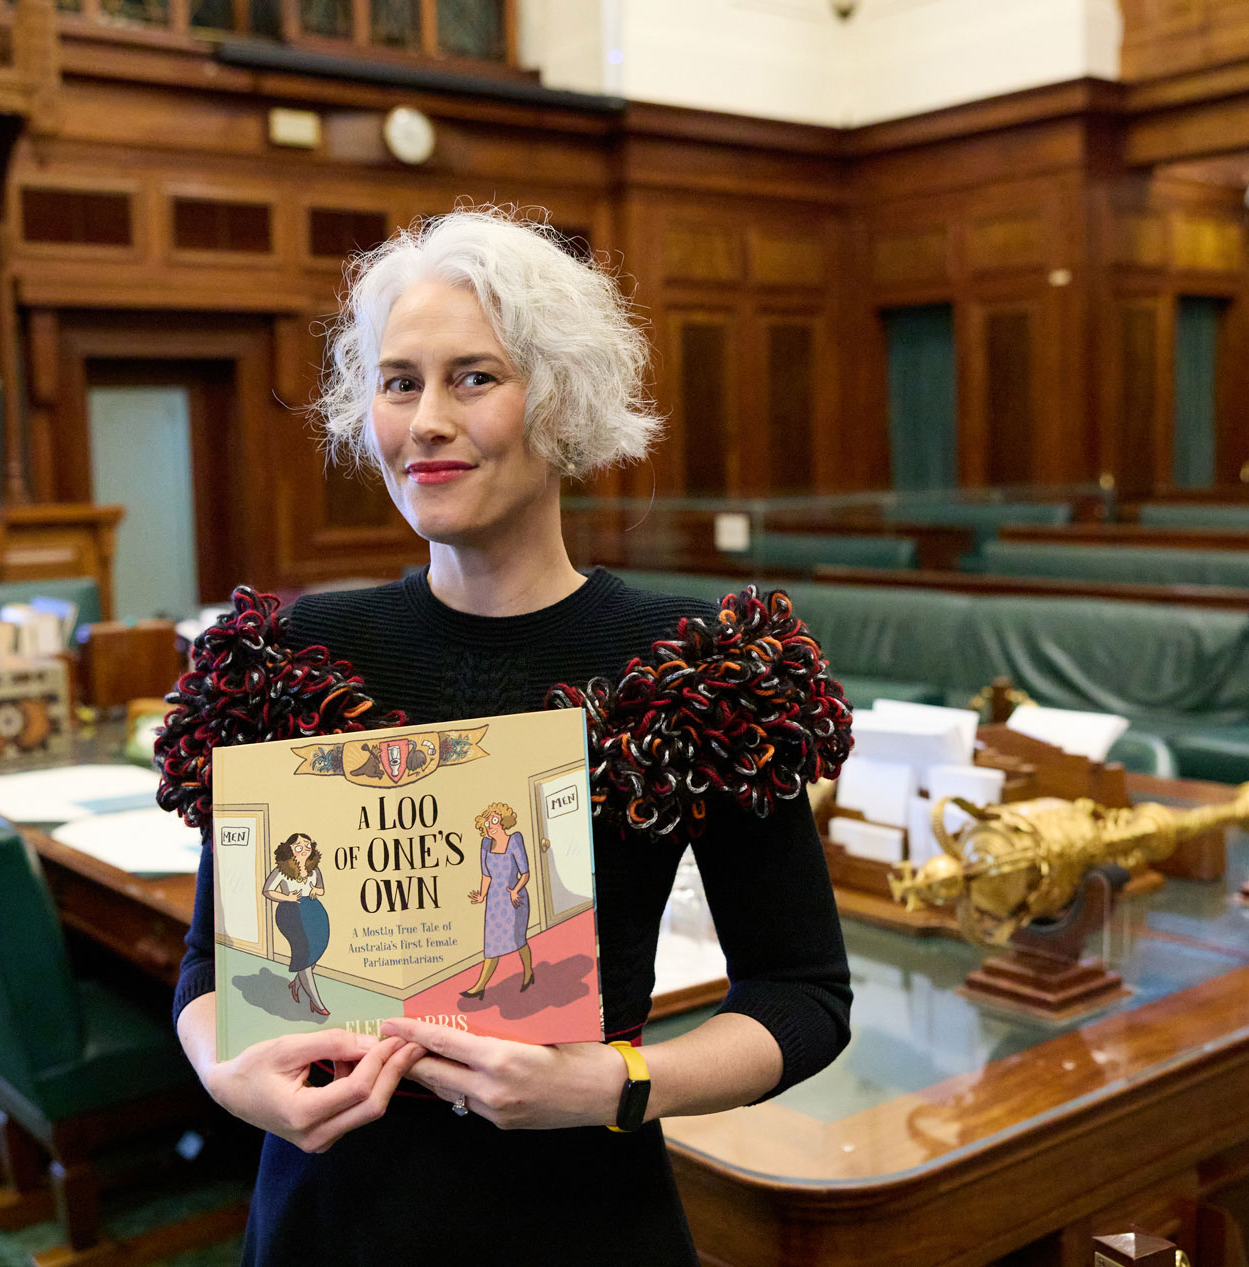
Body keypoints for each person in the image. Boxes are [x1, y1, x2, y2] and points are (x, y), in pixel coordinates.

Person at [159, 206, 852, 1266]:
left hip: (578, 1221)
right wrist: (220, 1069)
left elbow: (800, 995)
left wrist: (616, 1082)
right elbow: (208, 966)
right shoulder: (291, 652)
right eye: (400, 382)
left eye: (473, 378)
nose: (425, 421)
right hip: (327, 1224)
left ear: (560, 402)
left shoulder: (694, 662)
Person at [462, 802, 531, 999]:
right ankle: (480, 985)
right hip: (494, 901)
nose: (490, 826)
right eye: (486, 823)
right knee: (491, 945)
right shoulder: (485, 844)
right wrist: (483, 895)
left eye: (494, 820)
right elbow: (486, 875)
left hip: (514, 899)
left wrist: (515, 890)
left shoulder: (514, 841)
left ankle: (528, 972)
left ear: (503, 820)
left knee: (518, 940)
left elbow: (525, 874)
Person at [262, 833, 330, 1016]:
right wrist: (287, 897)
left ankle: (297, 984)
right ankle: (316, 1002)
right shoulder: (281, 870)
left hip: (314, 910)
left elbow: (321, 889)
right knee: (304, 954)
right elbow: (267, 890)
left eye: (307, 845)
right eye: (299, 846)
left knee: (316, 950)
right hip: (291, 912)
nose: (304, 849)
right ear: (289, 849)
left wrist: (316, 890)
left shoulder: (314, 869)